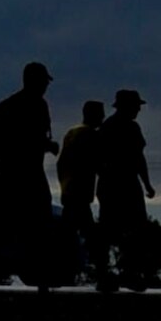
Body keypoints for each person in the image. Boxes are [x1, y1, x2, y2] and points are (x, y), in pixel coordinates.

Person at [0, 61, 59, 283]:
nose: (46, 86)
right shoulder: (11, 106)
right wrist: (13, 159)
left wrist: (44, 145)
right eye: (43, 81)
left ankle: (35, 273)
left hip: (31, 177)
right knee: (5, 228)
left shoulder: (37, 105)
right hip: (14, 178)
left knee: (37, 226)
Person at [95, 89, 156, 292]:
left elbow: (138, 158)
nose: (138, 110)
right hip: (120, 184)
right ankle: (115, 273)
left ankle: (123, 273)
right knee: (118, 230)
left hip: (119, 184)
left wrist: (146, 184)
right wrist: (146, 183)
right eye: (136, 106)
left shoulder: (114, 127)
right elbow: (138, 159)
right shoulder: (117, 128)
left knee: (126, 230)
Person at [57, 100, 105, 280]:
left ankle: (64, 271)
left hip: (69, 191)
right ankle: (101, 272)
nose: (103, 117)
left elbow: (61, 163)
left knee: (68, 234)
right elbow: (96, 163)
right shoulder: (90, 135)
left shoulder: (72, 133)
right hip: (80, 193)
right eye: (100, 113)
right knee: (91, 235)